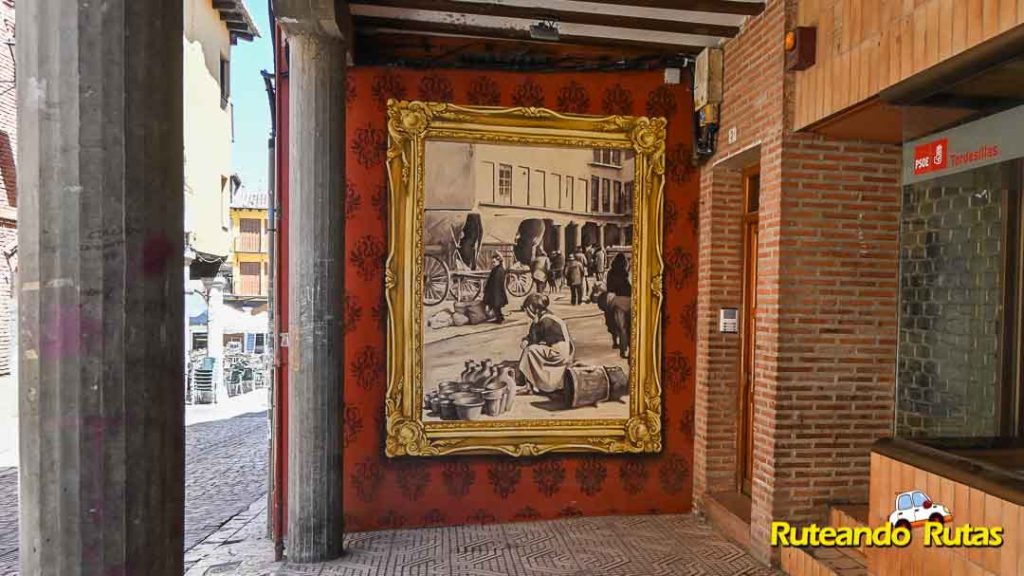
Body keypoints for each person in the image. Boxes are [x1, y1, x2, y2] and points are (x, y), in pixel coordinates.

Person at [518, 293, 575, 394]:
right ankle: (530, 382)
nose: (526, 313)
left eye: (527, 310)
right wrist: (527, 339)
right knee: (533, 349)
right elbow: (535, 337)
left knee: (529, 351)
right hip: (562, 351)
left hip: (558, 353)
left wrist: (529, 339)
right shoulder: (547, 315)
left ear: (532, 309)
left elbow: (535, 339)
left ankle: (529, 385)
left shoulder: (545, 321)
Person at [482, 252, 508, 323]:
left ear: (498, 262)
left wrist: (489, 292)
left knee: (496, 306)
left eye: (494, 262)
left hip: (496, 292)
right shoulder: (497, 269)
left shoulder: (499, 270)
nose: (493, 264)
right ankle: (500, 318)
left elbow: (495, 283)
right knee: (496, 307)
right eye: (492, 262)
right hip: (496, 292)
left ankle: (499, 319)